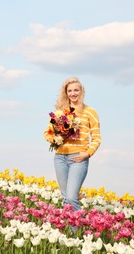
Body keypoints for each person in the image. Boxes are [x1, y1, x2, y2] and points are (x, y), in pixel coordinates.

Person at [44, 76, 101, 224]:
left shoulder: (90, 112)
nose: (73, 93)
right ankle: (70, 233)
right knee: (65, 199)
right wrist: (56, 138)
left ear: (81, 91)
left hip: (78, 158)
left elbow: (96, 138)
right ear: (66, 93)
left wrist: (87, 153)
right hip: (60, 158)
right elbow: (47, 133)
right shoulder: (60, 113)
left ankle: (77, 234)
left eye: (76, 90)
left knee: (71, 197)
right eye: (70, 91)